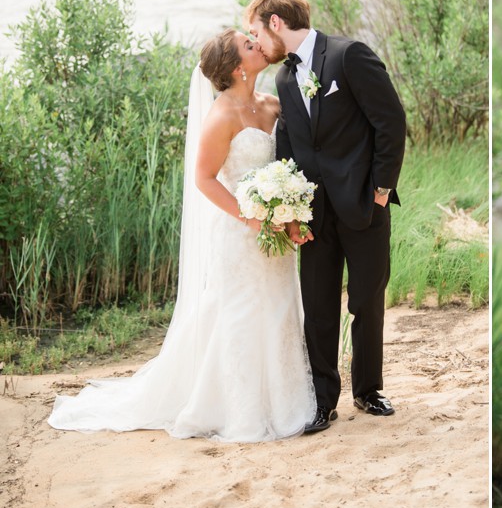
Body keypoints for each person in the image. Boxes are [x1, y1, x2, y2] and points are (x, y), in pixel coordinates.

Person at [48, 29, 316, 442]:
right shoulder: (222, 115)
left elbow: (289, 161)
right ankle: (242, 410)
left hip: (275, 230)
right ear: (234, 68)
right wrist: (252, 219)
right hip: (241, 233)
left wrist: (288, 212)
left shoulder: (272, 104)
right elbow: (205, 180)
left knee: (280, 306)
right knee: (241, 313)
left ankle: (288, 402)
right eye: (249, 45)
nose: (258, 45)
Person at [246, 0, 407, 434]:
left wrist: (381, 189)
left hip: (362, 203)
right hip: (314, 212)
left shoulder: (348, 55)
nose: (257, 42)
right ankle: (322, 400)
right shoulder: (282, 79)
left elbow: (390, 121)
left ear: (276, 23)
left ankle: (368, 390)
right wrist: (288, 210)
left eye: (257, 32)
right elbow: (291, 146)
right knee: (318, 306)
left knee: (366, 300)